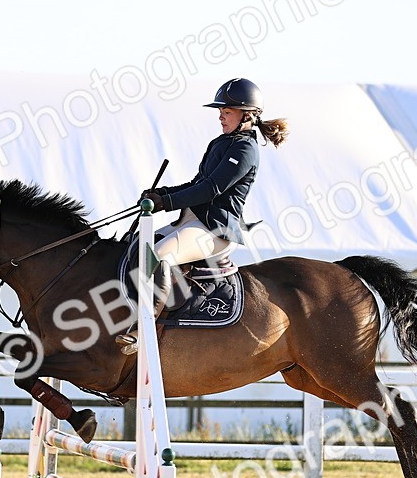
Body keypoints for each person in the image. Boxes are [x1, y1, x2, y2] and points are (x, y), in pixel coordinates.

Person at [117, 78, 289, 352]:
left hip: (215, 231)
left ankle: (142, 330)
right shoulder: (223, 143)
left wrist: (166, 202)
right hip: (192, 222)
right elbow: (197, 182)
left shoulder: (245, 150)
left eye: (227, 111)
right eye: (220, 111)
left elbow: (212, 189)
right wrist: (160, 192)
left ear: (246, 115)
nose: (220, 115)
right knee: (138, 244)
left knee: (159, 256)